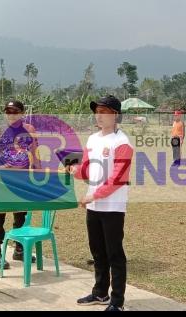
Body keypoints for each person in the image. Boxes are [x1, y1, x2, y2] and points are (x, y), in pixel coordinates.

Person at [70, 95, 133, 312]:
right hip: (93, 205)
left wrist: (93, 196)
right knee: (97, 251)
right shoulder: (93, 139)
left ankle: (117, 302)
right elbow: (86, 170)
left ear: (115, 115)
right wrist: (73, 170)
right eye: (96, 110)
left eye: (104, 111)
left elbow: (118, 178)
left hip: (112, 206)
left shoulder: (122, 142)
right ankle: (100, 292)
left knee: (114, 253)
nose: (98, 115)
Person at [0, 100, 39, 270]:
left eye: (15, 111)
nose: (11, 115)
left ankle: (19, 249)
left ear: (22, 113)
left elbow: (35, 153)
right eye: (8, 112)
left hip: (22, 180)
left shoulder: (29, 130)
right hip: (1, 179)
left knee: (21, 216)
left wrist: (37, 172)